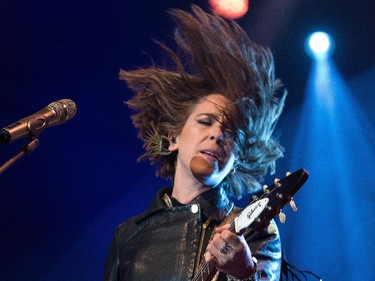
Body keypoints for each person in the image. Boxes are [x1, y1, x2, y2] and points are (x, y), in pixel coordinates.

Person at [103, 5, 287, 281]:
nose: (217, 135)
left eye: (230, 131)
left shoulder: (254, 229)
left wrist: (245, 272)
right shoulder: (128, 236)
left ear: (237, 159)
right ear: (172, 138)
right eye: (205, 121)